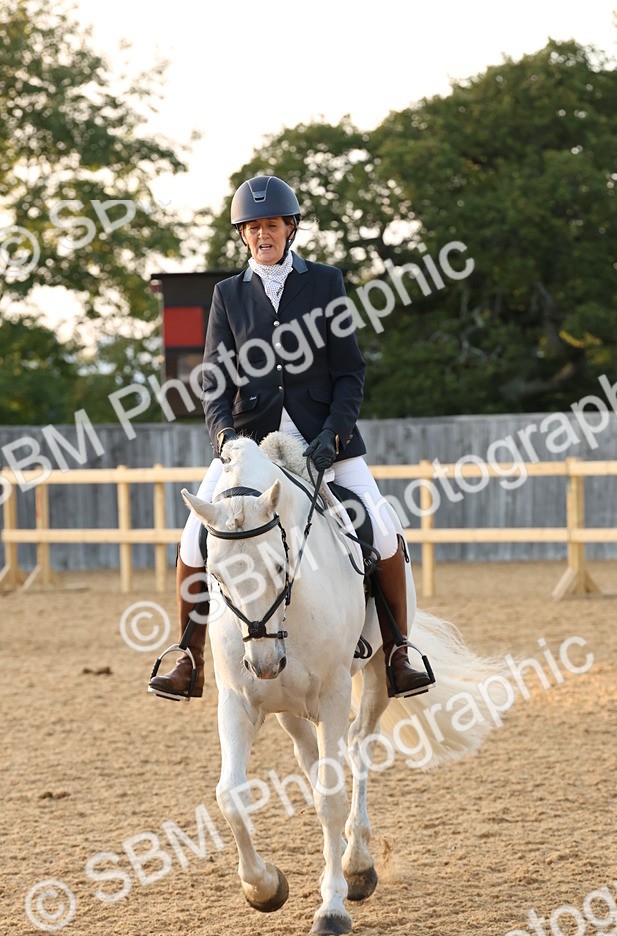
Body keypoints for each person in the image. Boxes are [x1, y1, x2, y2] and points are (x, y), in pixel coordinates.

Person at [148, 174, 434, 702]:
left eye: (272, 225)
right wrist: (225, 438)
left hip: (325, 441)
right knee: (193, 536)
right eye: (253, 227)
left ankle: (398, 652)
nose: (263, 235)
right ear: (243, 235)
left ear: (291, 229)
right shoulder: (227, 294)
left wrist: (333, 434)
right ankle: (189, 655)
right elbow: (215, 378)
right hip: (249, 448)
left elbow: (349, 373)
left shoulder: (326, 283)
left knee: (383, 527)